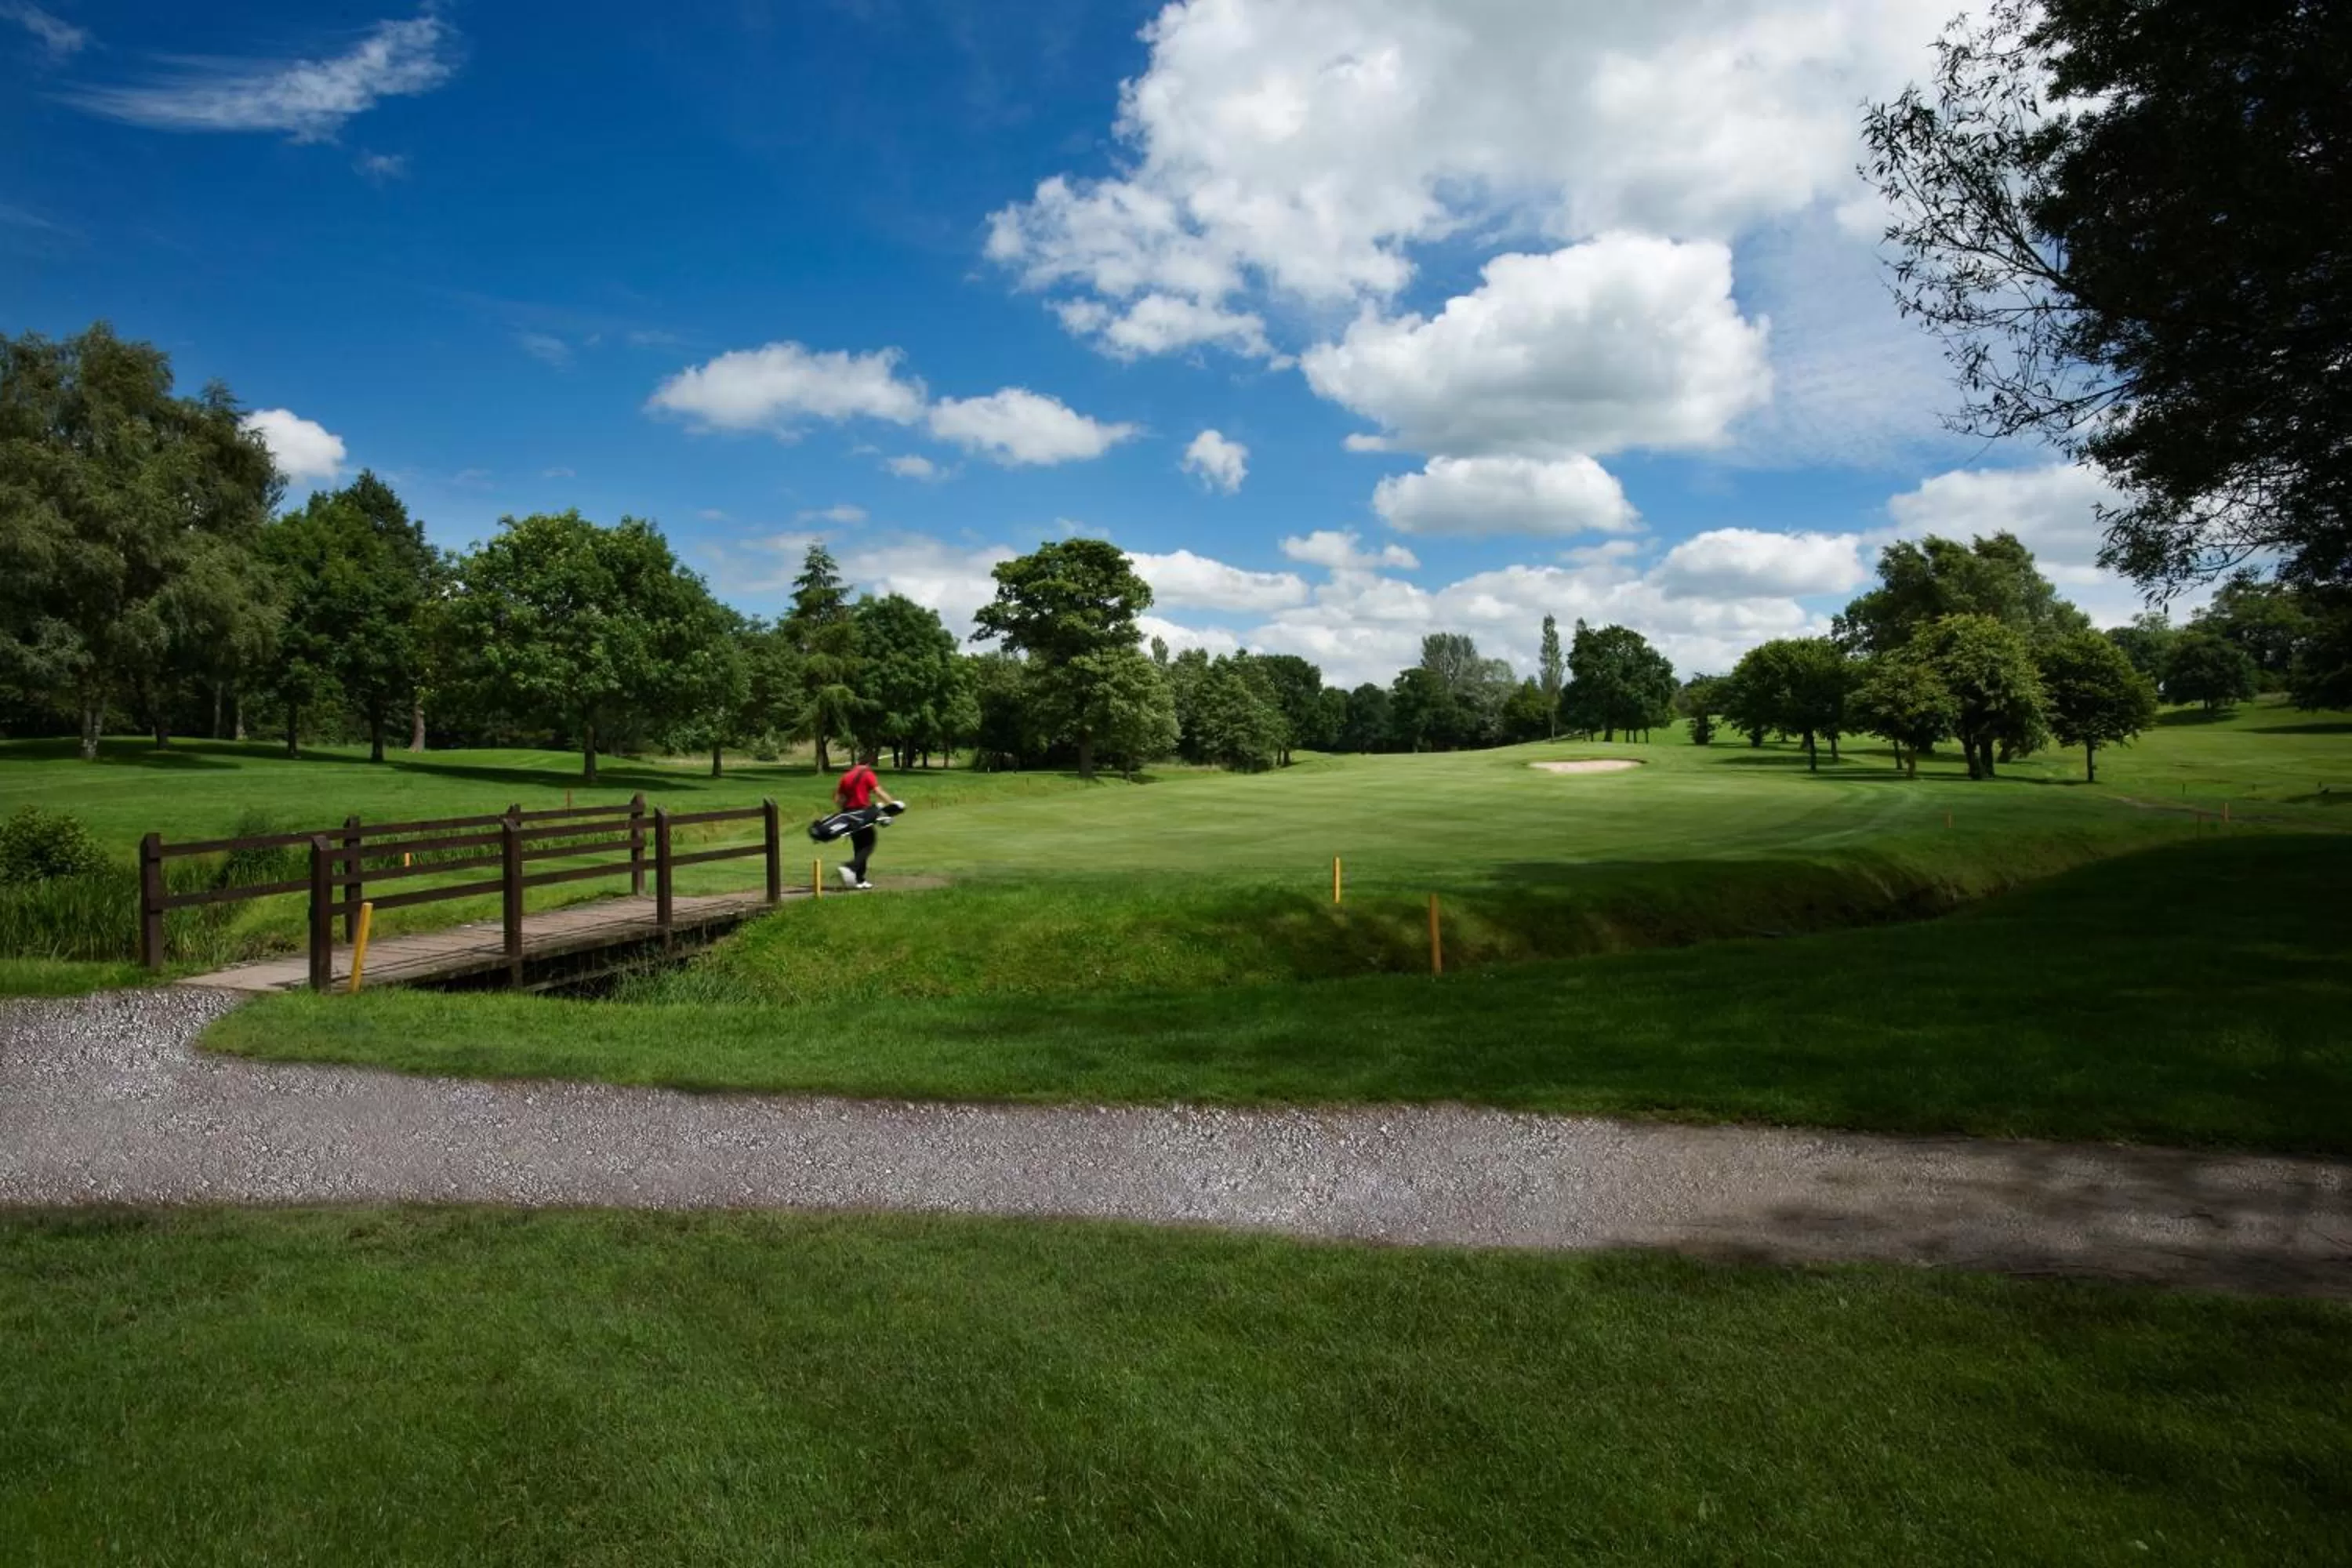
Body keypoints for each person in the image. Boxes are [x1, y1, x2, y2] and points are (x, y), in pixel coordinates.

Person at [832, 746, 899, 890]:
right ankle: (849, 867)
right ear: (869, 763)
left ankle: (859, 879)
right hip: (862, 814)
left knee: (859, 846)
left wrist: (846, 811)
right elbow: (878, 791)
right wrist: (893, 804)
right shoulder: (867, 773)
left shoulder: (847, 776)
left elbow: (838, 799)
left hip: (849, 815)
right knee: (869, 843)